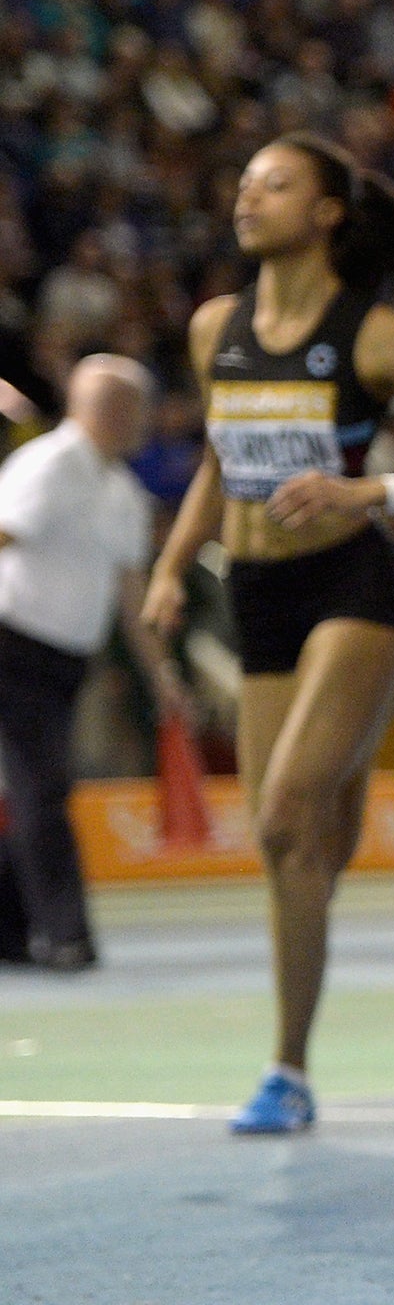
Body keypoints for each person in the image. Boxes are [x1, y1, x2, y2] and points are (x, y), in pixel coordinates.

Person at [142, 135, 394, 1134]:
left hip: (352, 582)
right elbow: (221, 465)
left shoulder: (379, 337)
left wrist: (372, 489)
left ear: (327, 214)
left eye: (273, 184)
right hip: (257, 591)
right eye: (243, 181)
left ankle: (286, 1071)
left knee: (278, 816)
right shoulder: (213, 328)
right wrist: (175, 568)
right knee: (311, 852)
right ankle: (390, 689)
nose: (245, 197)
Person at [0, 355, 184, 971]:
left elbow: (131, 596)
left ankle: (17, 931)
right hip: (14, 644)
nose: (140, 420)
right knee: (44, 788)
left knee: (35, 789)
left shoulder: (123, 492)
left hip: (65, 659)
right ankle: (63, 933)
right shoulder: (50, 464)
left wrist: (160, 672)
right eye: (130, 406)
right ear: (98, 408)